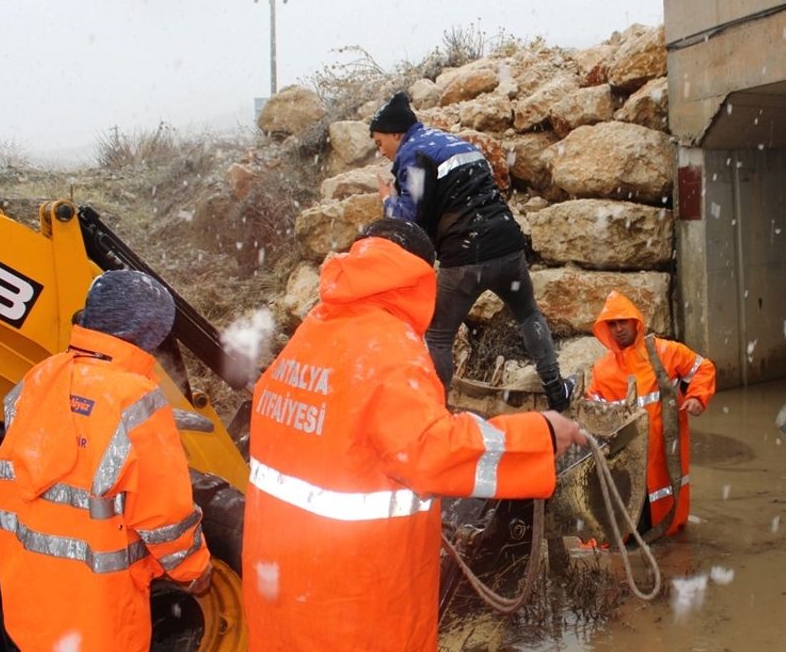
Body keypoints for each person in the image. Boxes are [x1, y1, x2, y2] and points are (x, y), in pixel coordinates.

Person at [241, 218, 586, 652]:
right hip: (356, 603)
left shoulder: (309, 336)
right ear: (419, 276)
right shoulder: (390, 348)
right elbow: (431, 453)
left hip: (282, 592)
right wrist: (540, 434)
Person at [0, 270, 212, 652]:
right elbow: (164, 516)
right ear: (148, 332)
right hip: (100, 616)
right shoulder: (136, 400)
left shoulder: (39, 378)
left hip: (30, 603)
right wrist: (195, 572)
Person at [369, 91, 575, 411]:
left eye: (380, 143)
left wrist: (387, 200)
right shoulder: (455, 142)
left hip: (466, 257)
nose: (382, 153)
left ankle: (434, 412)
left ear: (396, 133)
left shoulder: (412, 153)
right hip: (508, 245)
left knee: (438, 336)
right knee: (528, 314)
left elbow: (406, 222)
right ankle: (557, 391)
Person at [587, 290, 716, 537]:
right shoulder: (602, 370)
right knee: (629, 511)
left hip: (664, 452)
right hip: (626, 456)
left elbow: (703, 368)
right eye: (612, 324)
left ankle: (667, 548)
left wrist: (697, 397)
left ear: (635, 322)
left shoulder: (666, 352)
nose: (618, 329)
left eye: (622, 322)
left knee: (667, 513)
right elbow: (593, 413)